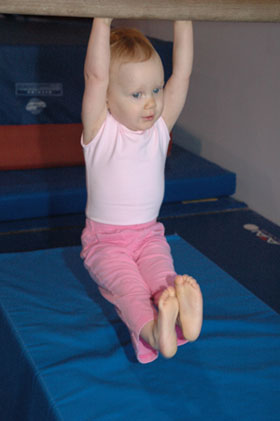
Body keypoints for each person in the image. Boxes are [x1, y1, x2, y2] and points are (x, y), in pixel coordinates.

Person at [81, 18, 203, 364]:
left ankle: (179, 321)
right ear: (106, 99)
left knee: (163, 284)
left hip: (150, 235)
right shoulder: (99, 131)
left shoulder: (160, 129)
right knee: (132, 293)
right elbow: (96, 76)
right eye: (136, 95)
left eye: (155, 90)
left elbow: (182, 74)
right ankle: (157, 332)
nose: (150, 103)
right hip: (106, 243)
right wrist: (102, 20)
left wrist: (184, 18)